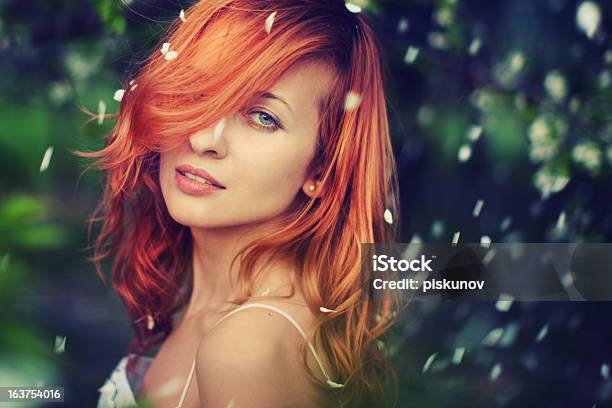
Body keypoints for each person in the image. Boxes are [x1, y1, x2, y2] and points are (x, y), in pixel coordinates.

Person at [74, 0, 402, 406]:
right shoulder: (204, 304)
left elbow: (487, 274)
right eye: (200, 91)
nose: (203, 139)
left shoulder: (245, 350)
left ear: (321, 168)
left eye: (263, 116)